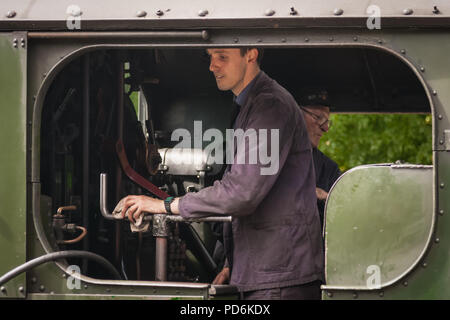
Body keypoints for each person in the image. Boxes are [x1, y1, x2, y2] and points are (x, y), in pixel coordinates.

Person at [118, 48, 324, 300]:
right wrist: (233, 263)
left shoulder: (270, 106)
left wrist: (166, 205)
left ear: (250, 55)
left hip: (278, 280)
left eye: (222, 57)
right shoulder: (251, 105)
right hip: (269, 274)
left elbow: (241, 193)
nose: (212, 66)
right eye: (210, 57)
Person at [298, 88, 341, 230]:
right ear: (295, 113)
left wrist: (328, 198)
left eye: (327, 121)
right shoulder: (266, 158)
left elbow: (338, 218)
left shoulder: (330, 169)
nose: (326, 128)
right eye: (318, 117)